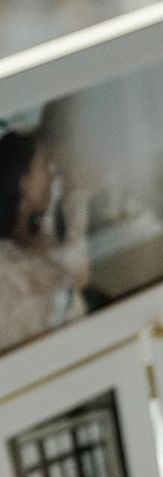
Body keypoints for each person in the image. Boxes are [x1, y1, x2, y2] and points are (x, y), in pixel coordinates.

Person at [0, 130, 81, 353]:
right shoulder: (6, 265)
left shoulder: (43, 240)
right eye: (44, 166)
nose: (52, 175)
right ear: (23, 182)